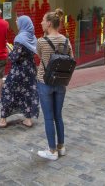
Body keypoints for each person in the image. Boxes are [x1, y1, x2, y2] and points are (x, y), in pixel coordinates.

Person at [36, 9, 73, 161]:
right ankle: (61, 147)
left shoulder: (41, 42)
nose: (41, 22)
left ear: (49, 23)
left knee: (48, 118)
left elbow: (40, 57)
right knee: (58, 116)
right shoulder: (65, 40)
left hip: (45, 81)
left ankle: (51, 151)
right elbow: (71, 58)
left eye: (43, 20)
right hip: (61, 82)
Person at [0, 15, 39, 128]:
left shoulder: (20, 38)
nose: (16, 22)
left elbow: (14, 57)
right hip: (30, 70)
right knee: (27, 92)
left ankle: (2, 120)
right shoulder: (32, 37)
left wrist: (8, 49)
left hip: (19, 70)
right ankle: (28, 120)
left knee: (7, 91)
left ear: (22, 23)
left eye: (18, 20)